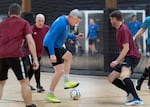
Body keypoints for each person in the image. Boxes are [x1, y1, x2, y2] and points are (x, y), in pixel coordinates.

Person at [0, 3, 39, 107]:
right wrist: (35, 59)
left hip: (1, 56)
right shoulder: (24, 23)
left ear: (9, 13)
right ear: (20, 13)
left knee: (1, 83)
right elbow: (30, 41)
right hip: (15, 55)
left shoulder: (2, 24)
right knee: (24, 83)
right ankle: (29, 105)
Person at [43, 9, 84, 103]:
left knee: (68, 56)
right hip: (52, 45)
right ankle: (50, 94)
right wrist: (52, 54)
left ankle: (66, 81)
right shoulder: (61, 23)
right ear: (72, 17)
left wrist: (75, 37)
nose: (76, 23)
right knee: (59, 71)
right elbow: (50, 38)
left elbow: (64, 34)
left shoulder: (66, 22)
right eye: (76, 21)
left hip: (57, 45)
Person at [108, 10, 143, 106]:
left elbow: (126, 48)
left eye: (111, 19)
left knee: (124, 76)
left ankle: (137, 99)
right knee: (111, 78)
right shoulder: (119, 29)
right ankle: (130, 92)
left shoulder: (123, 29)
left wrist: (117, 61)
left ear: (115, 19)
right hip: (127, 57)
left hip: (132, 57)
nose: (110, 21)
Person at [26, 14, 49, 92]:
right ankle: (38, 85)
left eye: (42, 21)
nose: (40, 22)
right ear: (35, 20)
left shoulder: (47, 28)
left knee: (33, 68)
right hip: (30, 52)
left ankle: (26, 83)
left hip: (39, 53)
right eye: (39, 21)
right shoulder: (31, 29)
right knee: (36, 67)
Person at [134, 16, 150, 90]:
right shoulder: (148, 19)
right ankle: (141, 81)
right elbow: (142, 30)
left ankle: (140, 81)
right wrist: (134, 37)